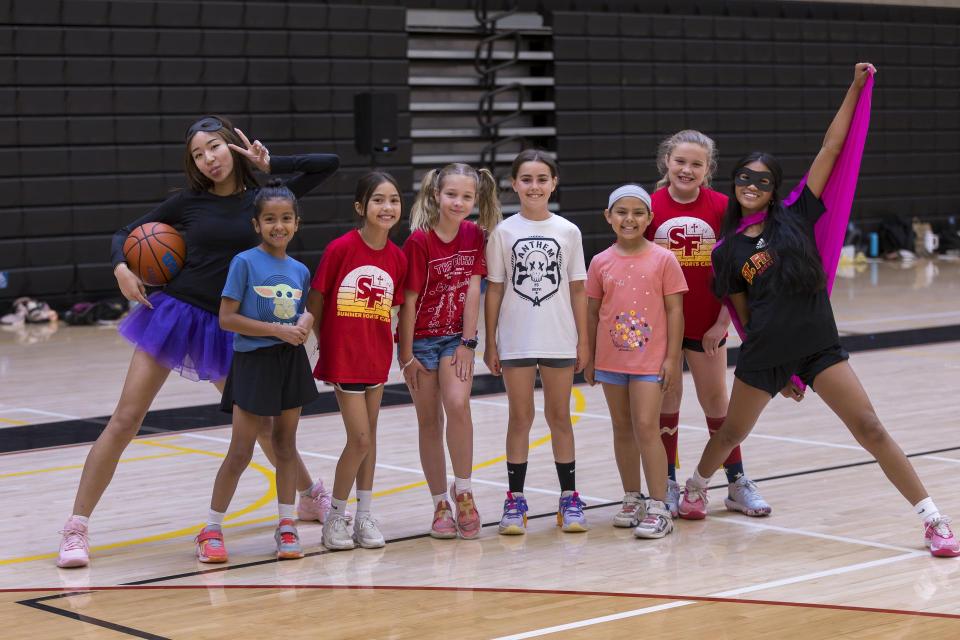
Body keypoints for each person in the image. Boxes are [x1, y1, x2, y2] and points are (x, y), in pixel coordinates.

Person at [678, 64, 959, 558]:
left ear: (774, 188)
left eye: (762, 181)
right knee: (731, 433)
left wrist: (854, 87)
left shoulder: (799, 216)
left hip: (819, 346)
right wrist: (779, 369)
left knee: (870, 427)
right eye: (744, 177)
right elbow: (743, 315)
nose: (751, 185)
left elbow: (831, 147)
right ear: (736, 182)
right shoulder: (725, 252)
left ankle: (933, 519)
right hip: (767, 356)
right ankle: (697, 487)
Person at [57, 115, 338, 568]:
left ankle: (309, 495)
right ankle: (76, 528)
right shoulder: (187, 203)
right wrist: (122, 268)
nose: (208, 158)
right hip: (175, 314)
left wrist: (271, 163)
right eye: (198, 154)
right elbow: (122, 235)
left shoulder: (263, 198)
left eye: (214, 147)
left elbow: (329, 164)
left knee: (263, 430)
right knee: (125, 419)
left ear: (233, 146)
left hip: (230, 326)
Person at [648, 130, 771, 518]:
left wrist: (723, 321)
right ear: (666, 161)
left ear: (708, 169)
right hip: (663, 326)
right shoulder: (647, 207)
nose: (687, 169)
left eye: (696, 164)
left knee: (717, 402)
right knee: (667, 402)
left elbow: (738, 271)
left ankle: (736, 482)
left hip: (708, 325)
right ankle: (666, 481)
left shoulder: (722, 207)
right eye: (680, 161)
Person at [195, 180, 319, 562]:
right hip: (253, 362)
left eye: (285, 219)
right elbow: (228, 318)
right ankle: (211, 528)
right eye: (269, 219)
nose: (277, 226)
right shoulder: (244, 262)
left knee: (285, 446)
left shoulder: (299, 269)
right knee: (241, 451)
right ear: (256, 224)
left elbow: (305, 309)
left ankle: (286, 525)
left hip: (290, 362)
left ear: (297, 223)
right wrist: (278, 330)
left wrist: (305, 322)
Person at [484, 150, 590, 535]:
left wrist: (583, 341)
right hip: (516, 339)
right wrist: (491, 342)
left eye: (542, 178)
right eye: (526, 179)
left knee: (559, 417)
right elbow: (494, 290)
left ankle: (569, 498)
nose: (534, 186)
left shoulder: (568, 231)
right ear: (515, 184)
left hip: (560, 337)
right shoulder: (502, 232)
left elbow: (578, 289)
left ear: (554, 183)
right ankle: (515, 501)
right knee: (520, 417)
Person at [398, 162, 501, 540]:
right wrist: (405, 354)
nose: (458, 202)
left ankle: (466, 491)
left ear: (476, 199)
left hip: (455, 339)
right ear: (436, 195)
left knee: (457, 404)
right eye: (451, 194)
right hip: (420, 341)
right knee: (429, 422)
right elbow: (408, 302)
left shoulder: (475, 234)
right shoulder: (419, 241)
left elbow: (475, 288)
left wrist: (468, 342)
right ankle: (441, 501)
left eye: (466, 196)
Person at [307, 172, 408, 551]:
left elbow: (391, 310)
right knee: (360, 439)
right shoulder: (340, 249)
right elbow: (315, 301)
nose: (387, 207)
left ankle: (364, 515)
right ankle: (336, 517)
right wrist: (326, 344)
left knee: (371, 439)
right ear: (360, 207)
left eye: (394, 199)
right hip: (345, 358)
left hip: (376, 359)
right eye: (379, 200)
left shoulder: (397, 258)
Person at [585, 185, 687, 539]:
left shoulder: (664, 259)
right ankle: (633, 498)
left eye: (638, 213)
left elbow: (675, 312)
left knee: (646, 427)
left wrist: (672, 358)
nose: (629, 219)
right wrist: (590, 356)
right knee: (622, 428)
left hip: (650, 362)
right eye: (622, 212)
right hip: (611, 360)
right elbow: (593, 312)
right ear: (609, 217)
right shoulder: (600, 261)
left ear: (650, 218)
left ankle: (660, 505)